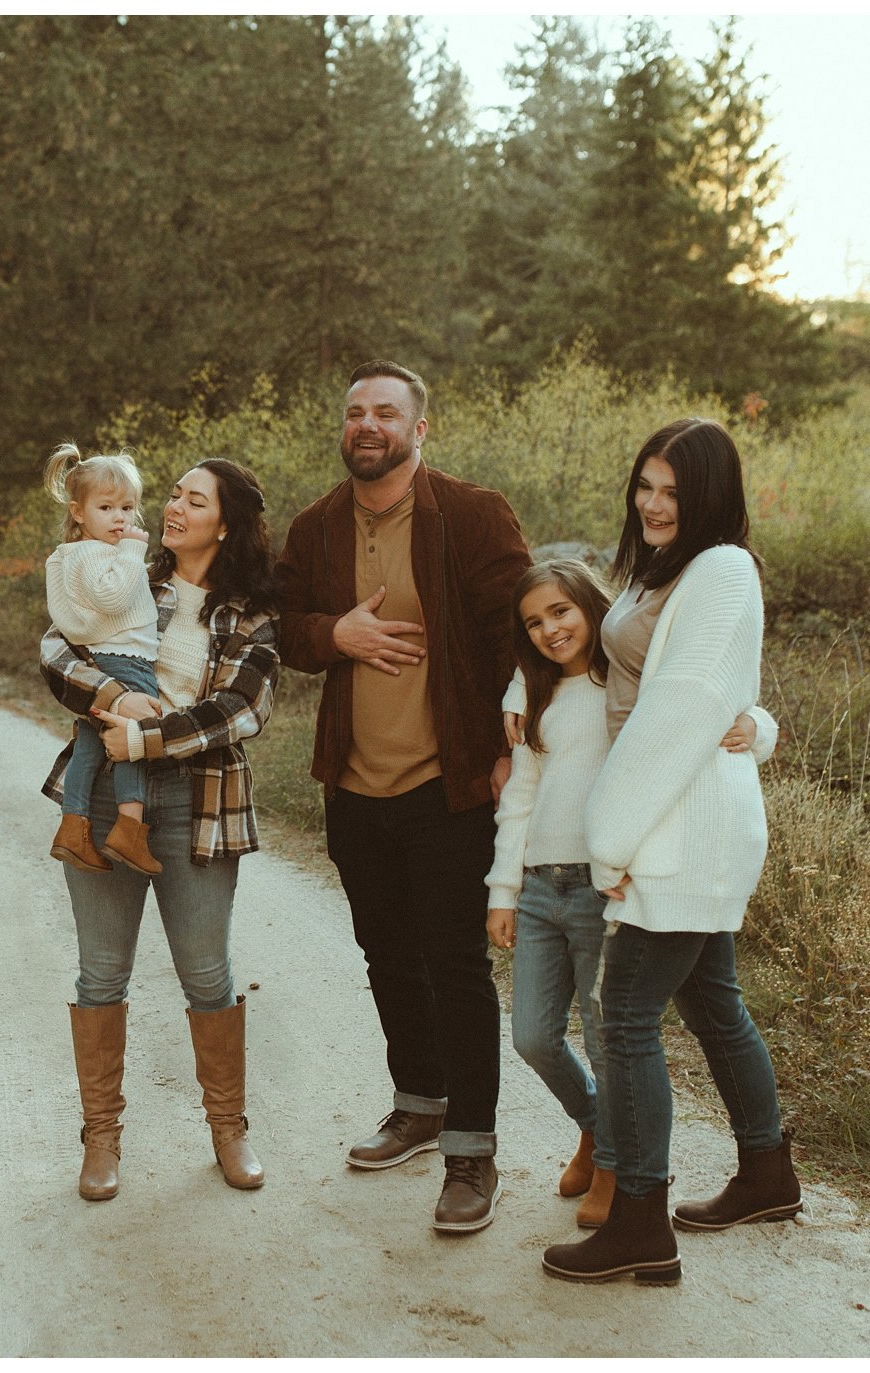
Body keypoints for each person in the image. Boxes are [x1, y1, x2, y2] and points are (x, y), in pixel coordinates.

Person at [540, 418, 802, 1287]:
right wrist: (756, 725)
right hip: (674, 812)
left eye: (672, 493)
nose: (652, 504)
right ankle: (768, 1173)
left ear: (710, 500)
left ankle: (641, 1220)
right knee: (715, 1001)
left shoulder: (721, 568)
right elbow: (702, 692)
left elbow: (684, 711)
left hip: (678, 825)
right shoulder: (669, 569)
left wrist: (610, 839)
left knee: (623, 1016)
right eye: (644, 486)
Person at [275, 360, 531, 1234]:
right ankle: (419, 1104)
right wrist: (332, 632)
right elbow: (281, 629)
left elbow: (523, 635)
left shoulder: (470, 514)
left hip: (448, 782)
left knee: (456, 963)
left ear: (420, 429)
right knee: (386, 953)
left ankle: (471, 1151)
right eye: (354, 412)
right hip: (354, 784)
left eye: (386, 411)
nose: (367, 424)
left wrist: (513, 750)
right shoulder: (315, 529)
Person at [488, 559, 776, 1234]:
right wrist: (503, 888)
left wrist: (759, 727)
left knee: (610, 1033)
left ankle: (618, 1165)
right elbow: (520, 799)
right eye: (533, 622)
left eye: (561, 611)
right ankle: (594, 1125)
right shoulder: (534, 697)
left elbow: (705, 704)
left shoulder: (631, 682)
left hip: (603, 885)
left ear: (592, 605)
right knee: (532, 1034)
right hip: (538, 887)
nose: (550, 629)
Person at [39, 458, 281, 1201]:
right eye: (171, 493)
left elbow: (244, 710)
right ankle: (101, 1138)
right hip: (106, 796)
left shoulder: (250, 613)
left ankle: (228, 1128)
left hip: (200, 801)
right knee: (101, 973)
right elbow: (54, 647)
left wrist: (146, 738)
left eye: (192, 498)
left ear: (225, 522)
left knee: (207, 974)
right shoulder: (123, 569)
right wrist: (112, 692)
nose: (172, 506)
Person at [43, 443, 164, 876]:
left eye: (128, 508)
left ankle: (74, 828)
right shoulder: (98, 554)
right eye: (107, 507)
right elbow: (111, 597)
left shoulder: (73, 555)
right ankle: (129, 829)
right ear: (78, 513)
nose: (121, 519)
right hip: (127, 662)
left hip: (106, 660)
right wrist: (133, 553)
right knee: (134, 741)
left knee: (92, 748)